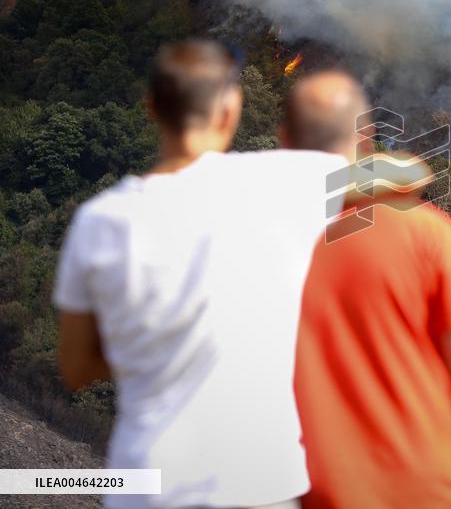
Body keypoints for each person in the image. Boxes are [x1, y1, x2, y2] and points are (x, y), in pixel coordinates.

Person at [55, 41, 351, 508]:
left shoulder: (101, 221)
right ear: (230, 110)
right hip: (262, 482)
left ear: (151, 106)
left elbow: (75, 368)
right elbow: (384, 170)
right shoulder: (287, 186)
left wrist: (157, 341)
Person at [285, 70, 451, 509]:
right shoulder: (428, 231)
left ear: (284, 139)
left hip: (321, 491)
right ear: (366, 136)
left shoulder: (263, 240)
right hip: (435, 491)